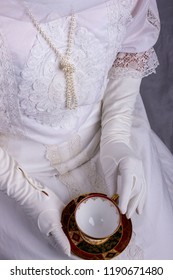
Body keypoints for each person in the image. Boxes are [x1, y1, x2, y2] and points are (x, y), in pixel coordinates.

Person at [0, 0, 173, 260]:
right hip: (16, 167)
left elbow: (130, 46)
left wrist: (116, 138)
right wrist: (29, 196)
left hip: (108, 128)